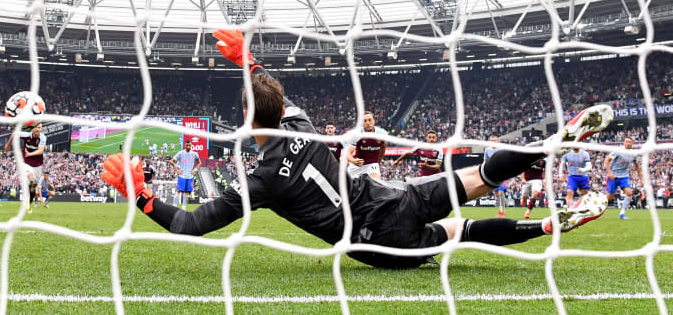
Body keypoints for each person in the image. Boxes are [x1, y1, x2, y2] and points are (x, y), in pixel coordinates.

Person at [101, 29, 612, 269]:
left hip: (378, 244)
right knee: (479, 175)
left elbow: (192, 225)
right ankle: (549, 146)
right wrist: (249, 60)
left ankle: (546, 226)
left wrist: (141, 196)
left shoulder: (260, 181)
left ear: (245, 121)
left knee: (460, 233)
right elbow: (269, 95)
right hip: (395, 198)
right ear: (279, 108)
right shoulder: (299, 120)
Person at [4, 123, 46, 214]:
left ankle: (28, 203)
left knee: (33, 186)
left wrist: (30, 154)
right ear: (33, 128)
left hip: (38, 166)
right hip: (26, 163)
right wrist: (8, 145)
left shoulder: (42, 137)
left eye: (41, 128)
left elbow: (40, 151)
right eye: (38, 127)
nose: (39, 130)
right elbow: (14, 133)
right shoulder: (26, 135)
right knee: (31, 178)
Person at [604, 136, 642, 220]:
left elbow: (637, 167)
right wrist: (610, 173)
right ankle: (597, 209)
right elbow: (606, 160)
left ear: (632, 144)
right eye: (626, 141)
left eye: (629, 142)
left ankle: (622, 214)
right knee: (609, 198)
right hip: (613, 176)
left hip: (624, 176)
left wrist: (641, 180)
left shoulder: (633, 154)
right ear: (624, 143)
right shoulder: (618, 151)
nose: (628, 143)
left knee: (629, 193)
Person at [346, 112, 387, 180]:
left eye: (370, 120)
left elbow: (383, 148)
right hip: (356, 166)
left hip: (372, 165)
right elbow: (347, 153)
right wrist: (353, 160)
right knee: (348, 188)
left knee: (376, 184)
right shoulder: (357, 134)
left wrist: (378, 162)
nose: (368, 123)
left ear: (374, 121)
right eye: (365, 121)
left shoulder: (382, 134)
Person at [170, 139, 201, 210]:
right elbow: (171, 161)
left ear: (191, 145)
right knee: (178, 191)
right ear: (185, 145)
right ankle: (174, 207)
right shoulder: (180, 153)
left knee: (186, 193)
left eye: (190, 145)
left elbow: (200, 162)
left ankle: (183, 208)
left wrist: (195, 170)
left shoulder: (194, 154)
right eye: (187, 145)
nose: (188, 147)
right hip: (182, 176)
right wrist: (177, 169)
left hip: (190, 177)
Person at [484, 136, 507, 217]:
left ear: (497, 141)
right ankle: (501, 209)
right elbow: (485, 161)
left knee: (501, 192)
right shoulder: (487, 150)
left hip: (502, 173)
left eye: (494, 140)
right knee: (497, 193)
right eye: (491, 140)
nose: (492, 141)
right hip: (492, 174)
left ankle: (502, 211)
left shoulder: (501, 149)